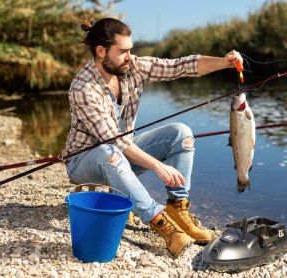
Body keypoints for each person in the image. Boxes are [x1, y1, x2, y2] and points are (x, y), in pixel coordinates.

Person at [62, 17, 243, 259]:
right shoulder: (83, 88)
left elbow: (181, 66)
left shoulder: (133, 67)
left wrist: (224, 62)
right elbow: (114, 139)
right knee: (110, 152)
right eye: (123, 51)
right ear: (101, 51)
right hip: (84, 161)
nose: (129, 56)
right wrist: (157, 165)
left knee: (181, 133)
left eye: (131, 50)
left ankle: (178, 209)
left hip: (122, 155)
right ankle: (161, 224)